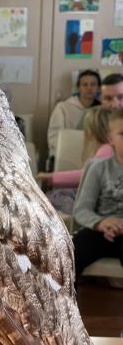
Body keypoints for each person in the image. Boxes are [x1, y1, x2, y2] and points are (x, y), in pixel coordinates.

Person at [72, 108, 123, 280]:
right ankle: (64, 305)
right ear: (110, 139)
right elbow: (81, 210)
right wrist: (101, 223)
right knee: (68, 255)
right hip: (100, 231)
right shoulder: (98, 168)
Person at [38, 108, 113, 215]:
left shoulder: (106, 150)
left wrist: (51, 177)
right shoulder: (109, 150)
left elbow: (84, 176)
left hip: (98, 203)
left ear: (90, 132)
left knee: (55, 196)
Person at [47, 69, 101, 161]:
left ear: (99, 88)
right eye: (85, 84)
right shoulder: (63, 107)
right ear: (79, 87)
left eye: (93, 84)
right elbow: (53, 137)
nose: (89, 88)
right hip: (65, 155)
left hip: (93, 156)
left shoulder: (101, 110)